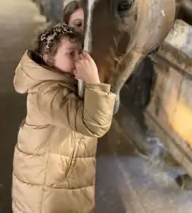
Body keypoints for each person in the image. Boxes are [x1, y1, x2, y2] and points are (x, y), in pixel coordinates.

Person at [12, 23, 116, 213]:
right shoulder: (48, 93)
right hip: (46, 197)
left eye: (80, 52)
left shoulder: (61, 85)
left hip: (55, 189)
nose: (79, 59)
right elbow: (94, 125)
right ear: (49, 59)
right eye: (70, 53)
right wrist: (93, 81)